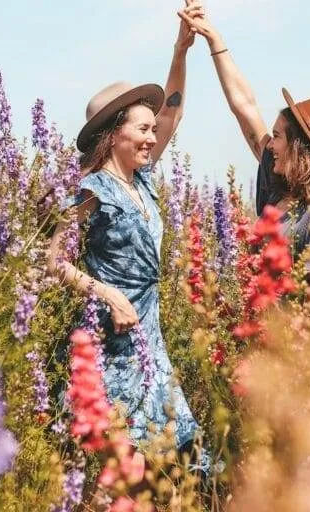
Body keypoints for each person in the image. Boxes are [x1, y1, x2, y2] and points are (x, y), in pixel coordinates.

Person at [48, 2, 208, 470]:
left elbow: (172, 110)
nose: (151, 138)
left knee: (184, 459)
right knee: (125, 469)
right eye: (141, 129)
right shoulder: (90, 191)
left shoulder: (143, 180)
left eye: (150, 130)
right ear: (114, 134)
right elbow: (51, 259)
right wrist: (106, 293)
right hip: (110, 344)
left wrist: (181, 50)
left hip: (149, 342)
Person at [178, 7, 310, 261]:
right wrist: (214, 40)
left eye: (278, 136)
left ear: (299, 150)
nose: (269, 145)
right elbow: (245, 108)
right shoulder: (277, 189)